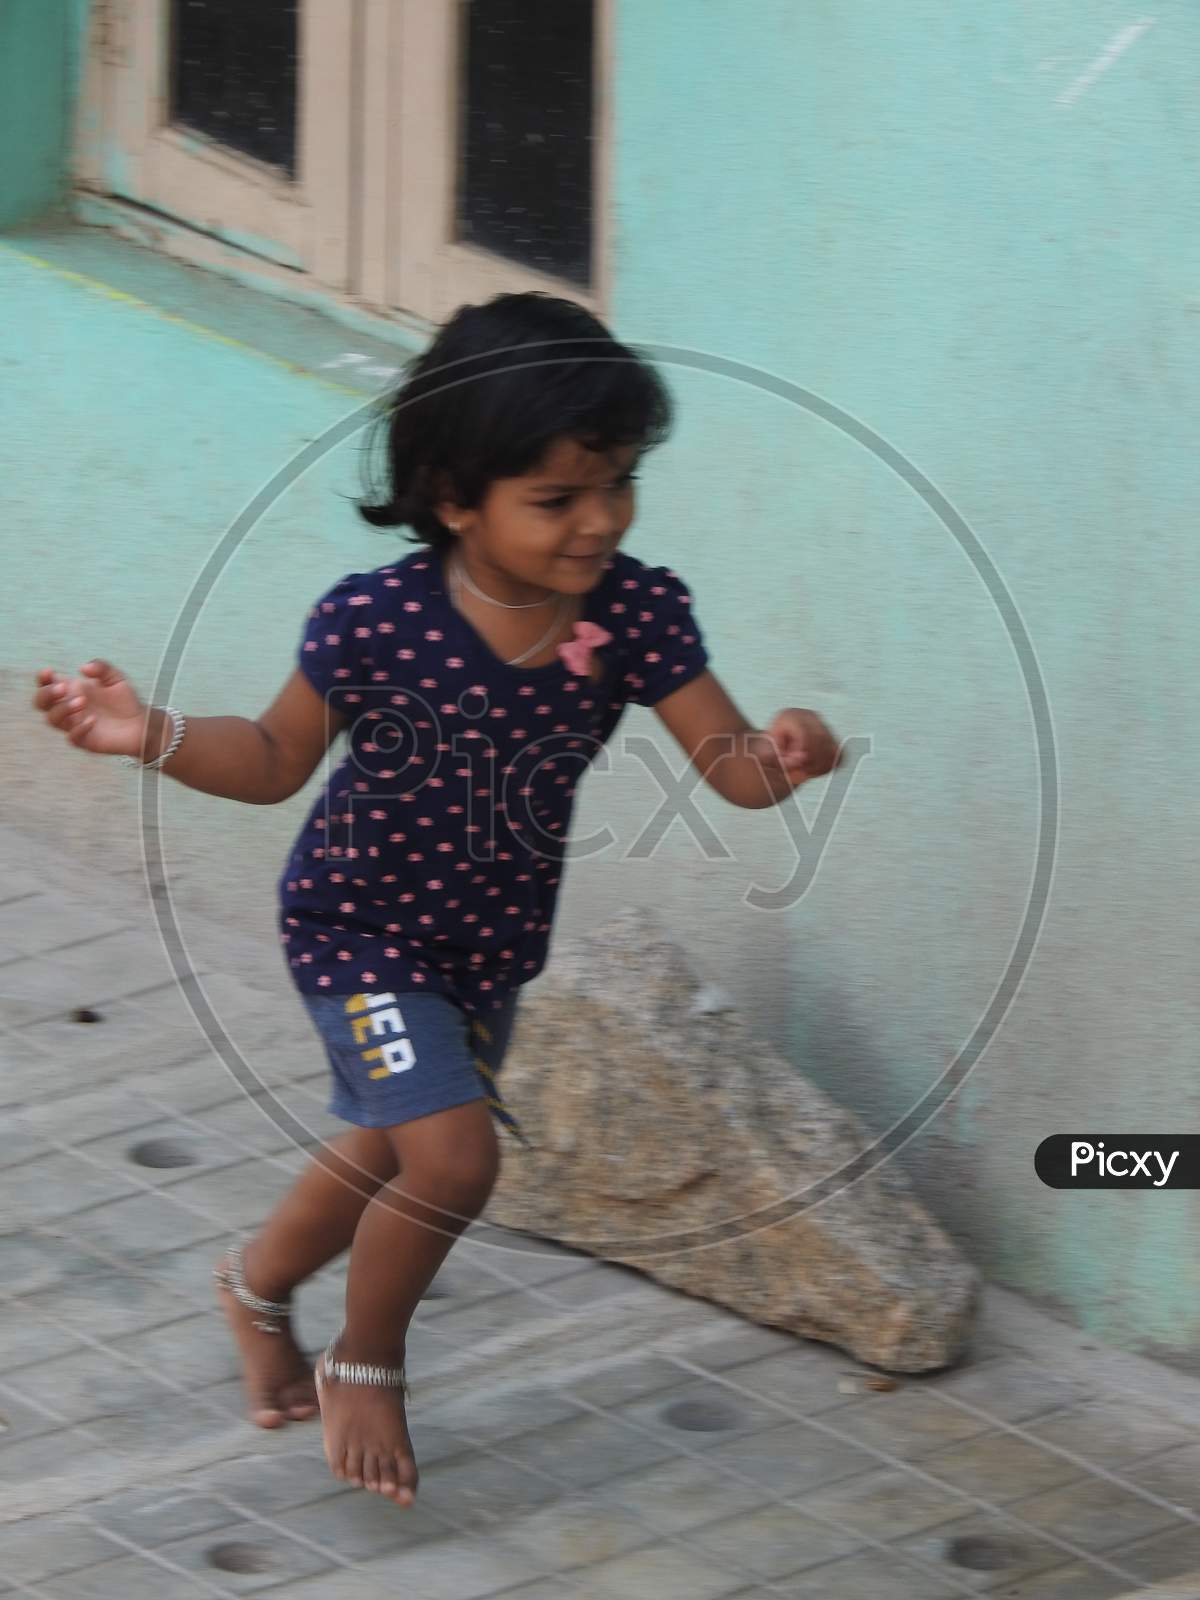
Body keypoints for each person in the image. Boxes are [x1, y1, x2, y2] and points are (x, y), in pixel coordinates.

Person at [33, 291, 842, 1508]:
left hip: (486, 952)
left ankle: (254, 1291)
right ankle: (368, 1355)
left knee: (381, 1151)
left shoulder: (636, 613)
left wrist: (792, 751)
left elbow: (731, 772)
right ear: (455, 498)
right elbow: (269, 759)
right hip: (356, 928)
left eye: (619, 482)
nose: (601, 521)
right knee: (453, 1160)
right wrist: (146, 733)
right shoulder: (374, 621)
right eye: (559, 498)